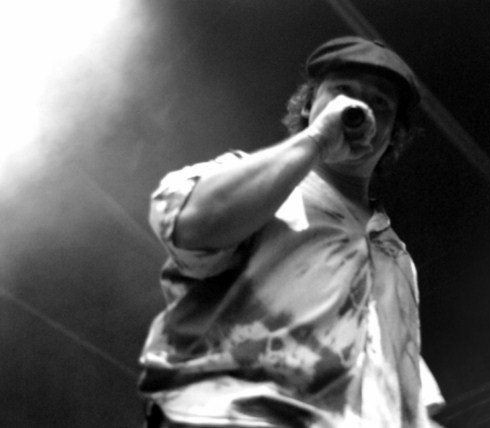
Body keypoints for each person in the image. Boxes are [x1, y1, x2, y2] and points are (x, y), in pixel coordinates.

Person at [139, 36, 445, 428]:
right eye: (342, 91)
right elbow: (192, 226)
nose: (360, 106)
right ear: (308, 104)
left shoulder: (394, 254)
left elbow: (399, 383)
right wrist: (317, 139)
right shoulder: (262, 182)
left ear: (392, 134)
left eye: (380, 103)